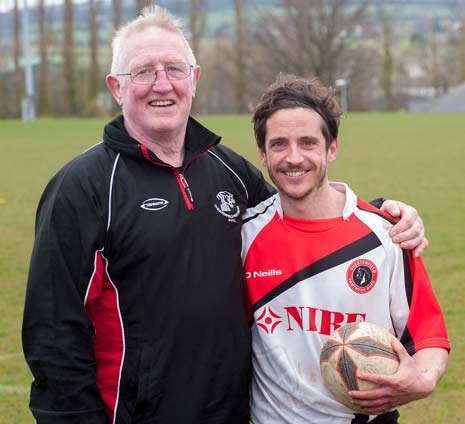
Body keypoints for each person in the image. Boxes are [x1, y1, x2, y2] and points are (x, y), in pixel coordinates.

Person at [22, 6, 427, 424]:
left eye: (174, 69)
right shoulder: (83, 187)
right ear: (116, 87)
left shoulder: (228, 170)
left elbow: (298, 214)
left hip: (236, 412)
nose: (162, 84)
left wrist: (380, 213)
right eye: (142, 72)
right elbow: (53, 332)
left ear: (193, 80)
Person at [241, 74, 450, 424]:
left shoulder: (386, 234)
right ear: (262, 154)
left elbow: (428, 335)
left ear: (332, 148)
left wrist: (423, 380)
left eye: (308, 142)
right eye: (279, 144)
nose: (294, 158)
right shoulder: (243, 236)